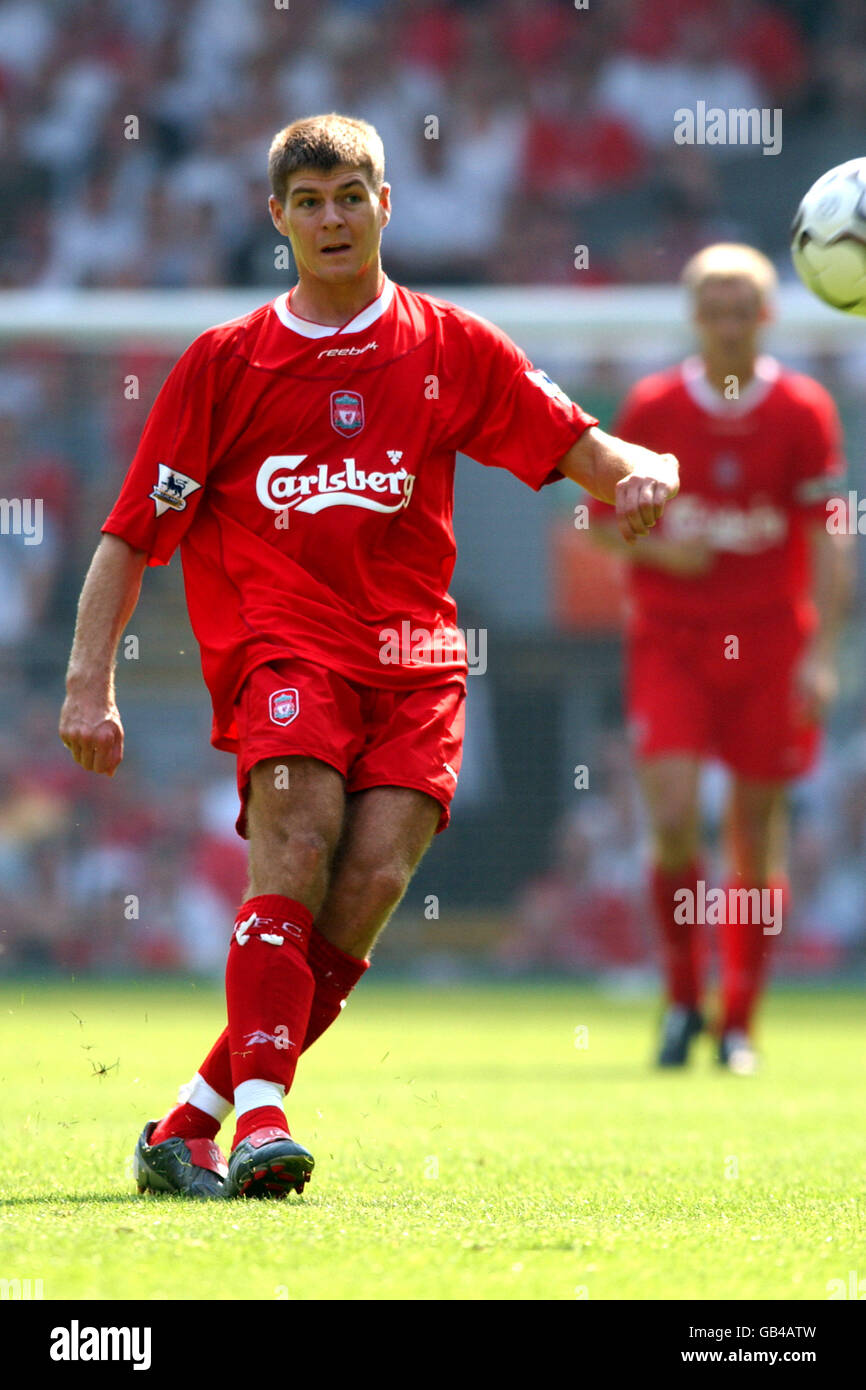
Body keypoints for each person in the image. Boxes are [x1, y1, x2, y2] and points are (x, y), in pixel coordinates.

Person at [59, 113, 679, 1200]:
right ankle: (261, 1119)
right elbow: (128, 535)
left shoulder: (450, 346)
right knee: (293, 842)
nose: (332, 218)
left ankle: (188, 1121)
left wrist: (637, 468)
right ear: (277, 220)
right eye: (309, 202)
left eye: (350, 195)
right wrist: (87, 681)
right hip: (282, 645)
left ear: (386, 205)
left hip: (414, 658)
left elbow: (576, 442)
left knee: (369, 885)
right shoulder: (224, 362)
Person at [590, 243, 851, 1074]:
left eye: (746, 311)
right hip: (671, 640)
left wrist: (823, 652)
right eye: (718, 310)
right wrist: (668, 553)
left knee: (755, 832)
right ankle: (678, 1001)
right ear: (697, 317)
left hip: (772, 644)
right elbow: (597, 519)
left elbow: (830, 541)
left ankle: (739, 1020)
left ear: (766, 317)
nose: (732, 325)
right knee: (670, 818)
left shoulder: (804, 410)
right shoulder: (654, 405)